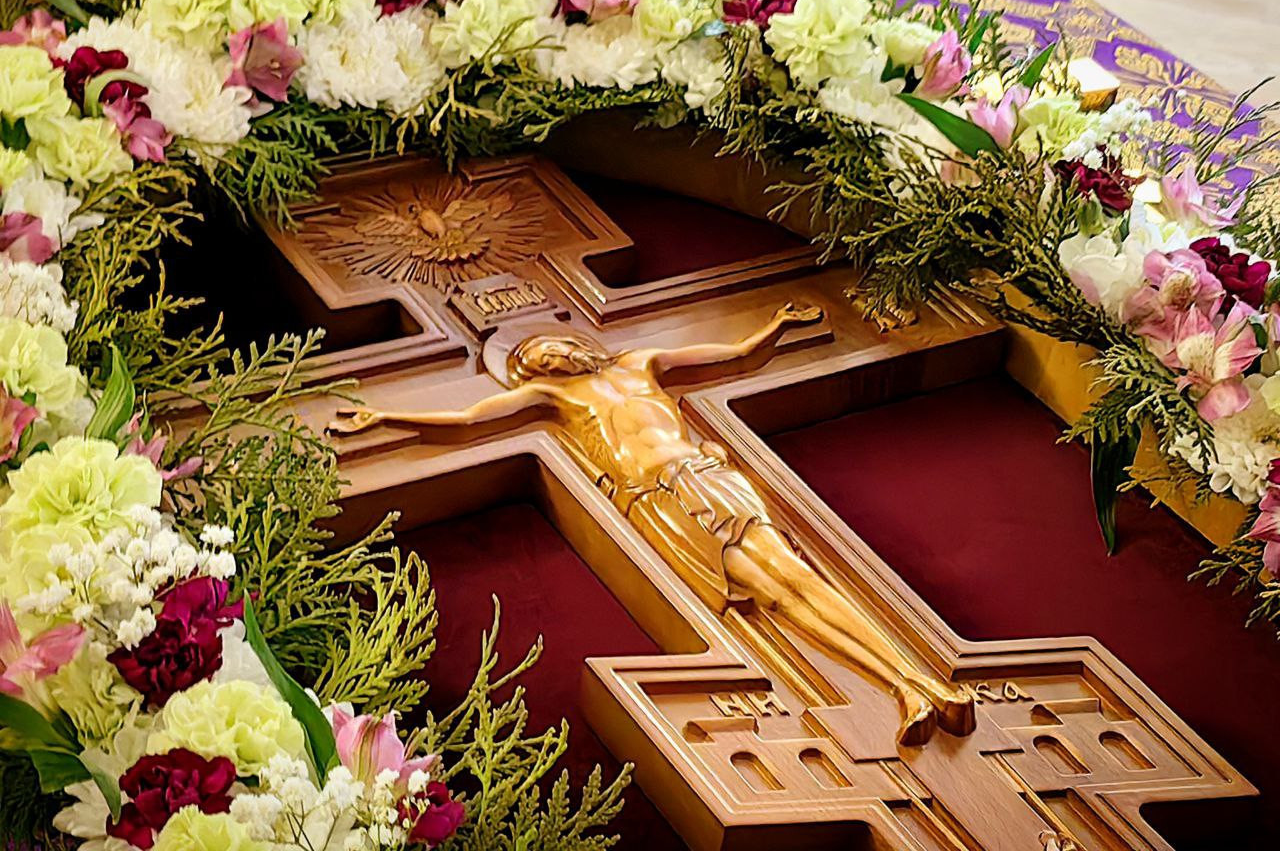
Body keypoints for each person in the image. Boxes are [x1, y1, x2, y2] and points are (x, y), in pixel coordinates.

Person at [330, 303, 975, 744]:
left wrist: (778, 326)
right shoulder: (553, 399)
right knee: (775, 600)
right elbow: (469, 422)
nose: (546, 358)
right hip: (658, 507)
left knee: (797, 576)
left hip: (702, 478)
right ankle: (901, 689)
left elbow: (735, 356)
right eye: (533, 360)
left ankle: (917, 677)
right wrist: (387, 419)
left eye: (550, 347)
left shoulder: (639, 365)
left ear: (575, 345)